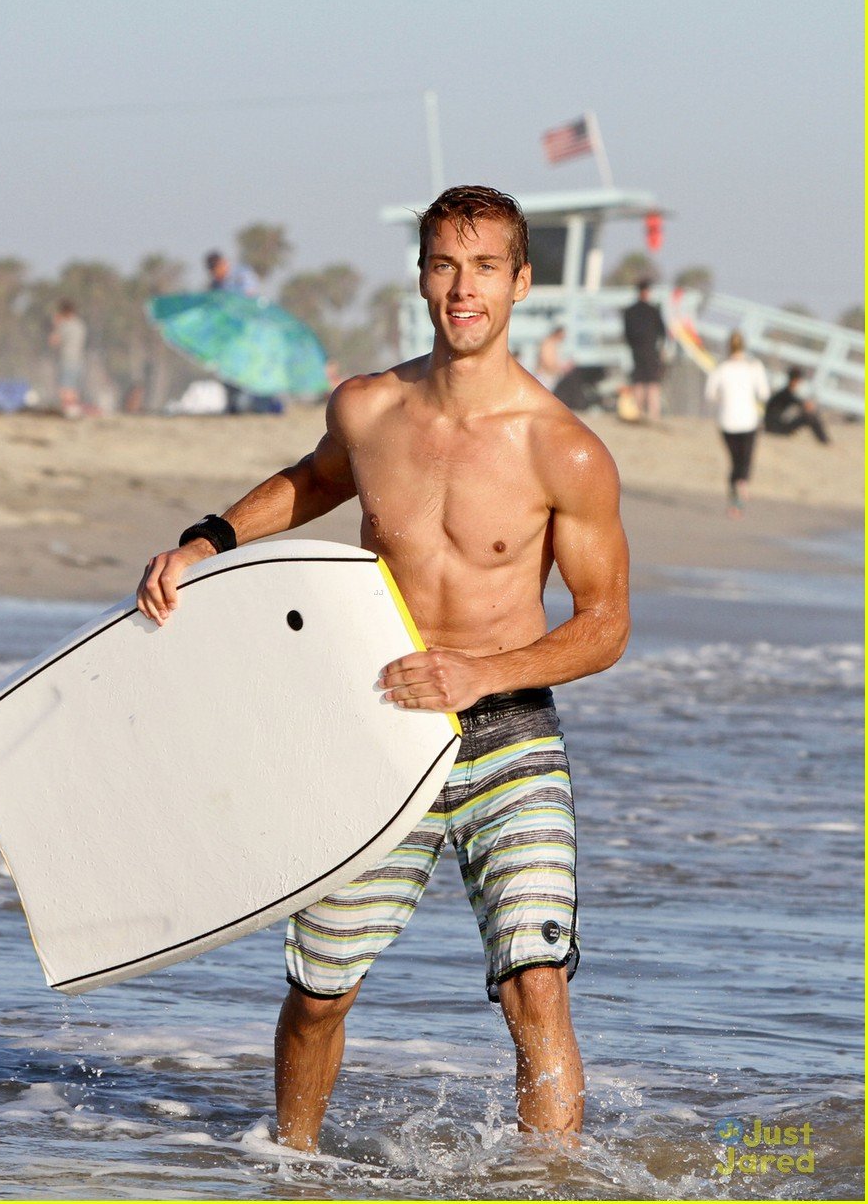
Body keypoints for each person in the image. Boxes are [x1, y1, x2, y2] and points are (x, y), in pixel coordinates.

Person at [138, 186, 631, 1148]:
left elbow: (605, 624)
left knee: (536, 983)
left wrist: (479, 675)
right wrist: (208, 540)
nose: (463, 288)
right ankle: (292, 1164)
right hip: (376, 730)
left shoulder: (562, 449)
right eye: (445, 265)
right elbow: (317, 479)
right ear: (420, 277)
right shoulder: (369, 407)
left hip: (506, 733)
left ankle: (550, 1181)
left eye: (485, 266)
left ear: (522, 283)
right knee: (320, 992)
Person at [705, 331, 770, 518]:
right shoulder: (754, 367)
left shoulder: (721, 368)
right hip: (748, 419)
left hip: (726, 419)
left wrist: (724, 399)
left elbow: (710, 394)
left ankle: (734, 501)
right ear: (744, 346)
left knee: (734, 461)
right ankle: (742, 485)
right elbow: (764, 394)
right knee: (746, 458)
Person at [621, 279, 667, 421]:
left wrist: (633, 346)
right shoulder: (653, 311)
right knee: (653, 382)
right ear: (647, 292)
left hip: (636, 350)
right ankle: (654, 414)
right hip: (650, 350)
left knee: (638, 381)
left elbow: (627, 334)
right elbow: (662, 332)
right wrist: (661, 350)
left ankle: (638, 411)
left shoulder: (629, 312)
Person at [764, 366, 830, 444]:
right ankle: (824, 440)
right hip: (775, 428)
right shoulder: (786, 393)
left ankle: (824, 439)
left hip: (772, 426)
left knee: (808, 414)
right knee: (809, 416)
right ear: (795, 380)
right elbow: (803, 405)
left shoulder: (784, 392)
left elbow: (799, 402)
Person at [49, 300, 88, 418]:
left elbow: (53, 341)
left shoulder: (65, 325)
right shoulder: (80, 325)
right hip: (79, 360)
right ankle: (74, 410)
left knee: (65, 388)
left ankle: (68, 411)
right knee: (74, 387)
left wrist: (56, 325)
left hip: (67, 359)